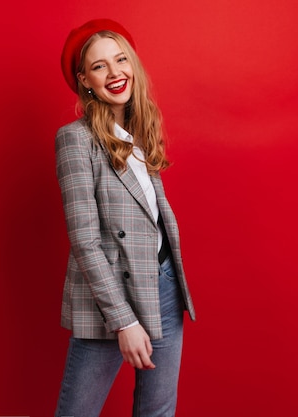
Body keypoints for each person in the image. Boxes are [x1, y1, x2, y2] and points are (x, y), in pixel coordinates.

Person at [54, 18, 196, 417]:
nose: (115, 73)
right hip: (110, 299)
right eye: (99, 66)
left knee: (158, 411)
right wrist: (124, 322)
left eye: (121, 60)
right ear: (85, 80)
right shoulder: (75, 139)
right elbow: (84, 238)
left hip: (163, 284)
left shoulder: (137, 130)